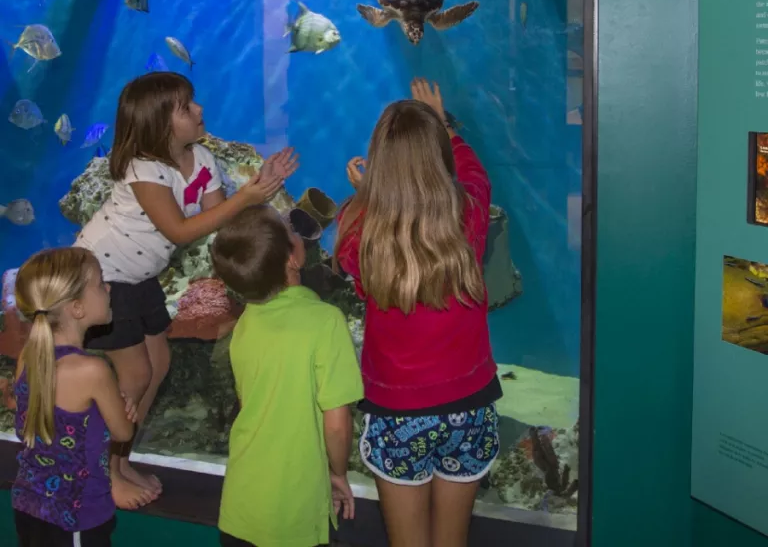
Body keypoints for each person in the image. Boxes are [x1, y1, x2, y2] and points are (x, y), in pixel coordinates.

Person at [74, 72, 299, 509]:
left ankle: (120, 457)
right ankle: (102, 471)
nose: (198, 110)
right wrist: (248, 197)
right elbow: (178, 230)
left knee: (159, 363)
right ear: (159, 123)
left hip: (139, 278)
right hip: (98, 277)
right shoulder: (144, 169)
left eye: (193, 101)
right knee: (135, 375)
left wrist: (262, 189)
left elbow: (222, 222)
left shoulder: (203, 160)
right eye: (185, 106)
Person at [334, 78, 501, 547]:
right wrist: (447, 128)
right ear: (439, 160)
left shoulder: (356, 227)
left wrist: (367, 196)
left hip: (397, 414)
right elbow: (475, 176)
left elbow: (378, 232)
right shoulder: (468, 215)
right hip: (470, 407)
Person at [210, 204, 363, 547]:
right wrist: (337, 474)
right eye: (290, 230)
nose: (297, 233)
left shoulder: (245, 322)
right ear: (291, 260)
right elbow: (337, 423)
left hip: (240, 505)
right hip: (293, 512)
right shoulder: (325, 321)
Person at [12, 247, 137, 547]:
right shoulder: (93, 370)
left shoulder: (28, 356)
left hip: (28, 505)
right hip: (75, 516)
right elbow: (123, 431)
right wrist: (124, 407)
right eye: (100, 283)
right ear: (77, 308)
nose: (108, 288)